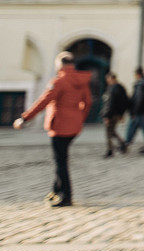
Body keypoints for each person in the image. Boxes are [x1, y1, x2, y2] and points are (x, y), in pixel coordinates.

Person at [13, 51, 92, 207]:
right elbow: (88, 102)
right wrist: (79, 118)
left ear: (60, 65)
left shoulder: (59, 81)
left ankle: (66, 196)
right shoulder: (81, 81)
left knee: (60, 162)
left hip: (60, 126)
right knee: (62, 158)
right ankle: (55, 191)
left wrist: (25, 118)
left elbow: (43, 101)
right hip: (74, 126)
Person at [124, 67, 144, 154]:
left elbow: (138, 99)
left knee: (134, 128)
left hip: (139, 111)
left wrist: (134, 111)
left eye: (135, 74)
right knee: (134, 128)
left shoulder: (140, 84)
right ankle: (126, 144)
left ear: (138, 74)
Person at [100, 72, 129, 158]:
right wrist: (121, 114)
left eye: (108, 79)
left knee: (108, 132)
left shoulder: (113, 89)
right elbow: (125, 102)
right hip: (117, 114)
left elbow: (110, 103)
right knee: (112, 131)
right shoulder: (121, 88)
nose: (107, 81)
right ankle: (122, 144)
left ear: (111, 78)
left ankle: (110, 150)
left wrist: (107, 116)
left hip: (111, 114)